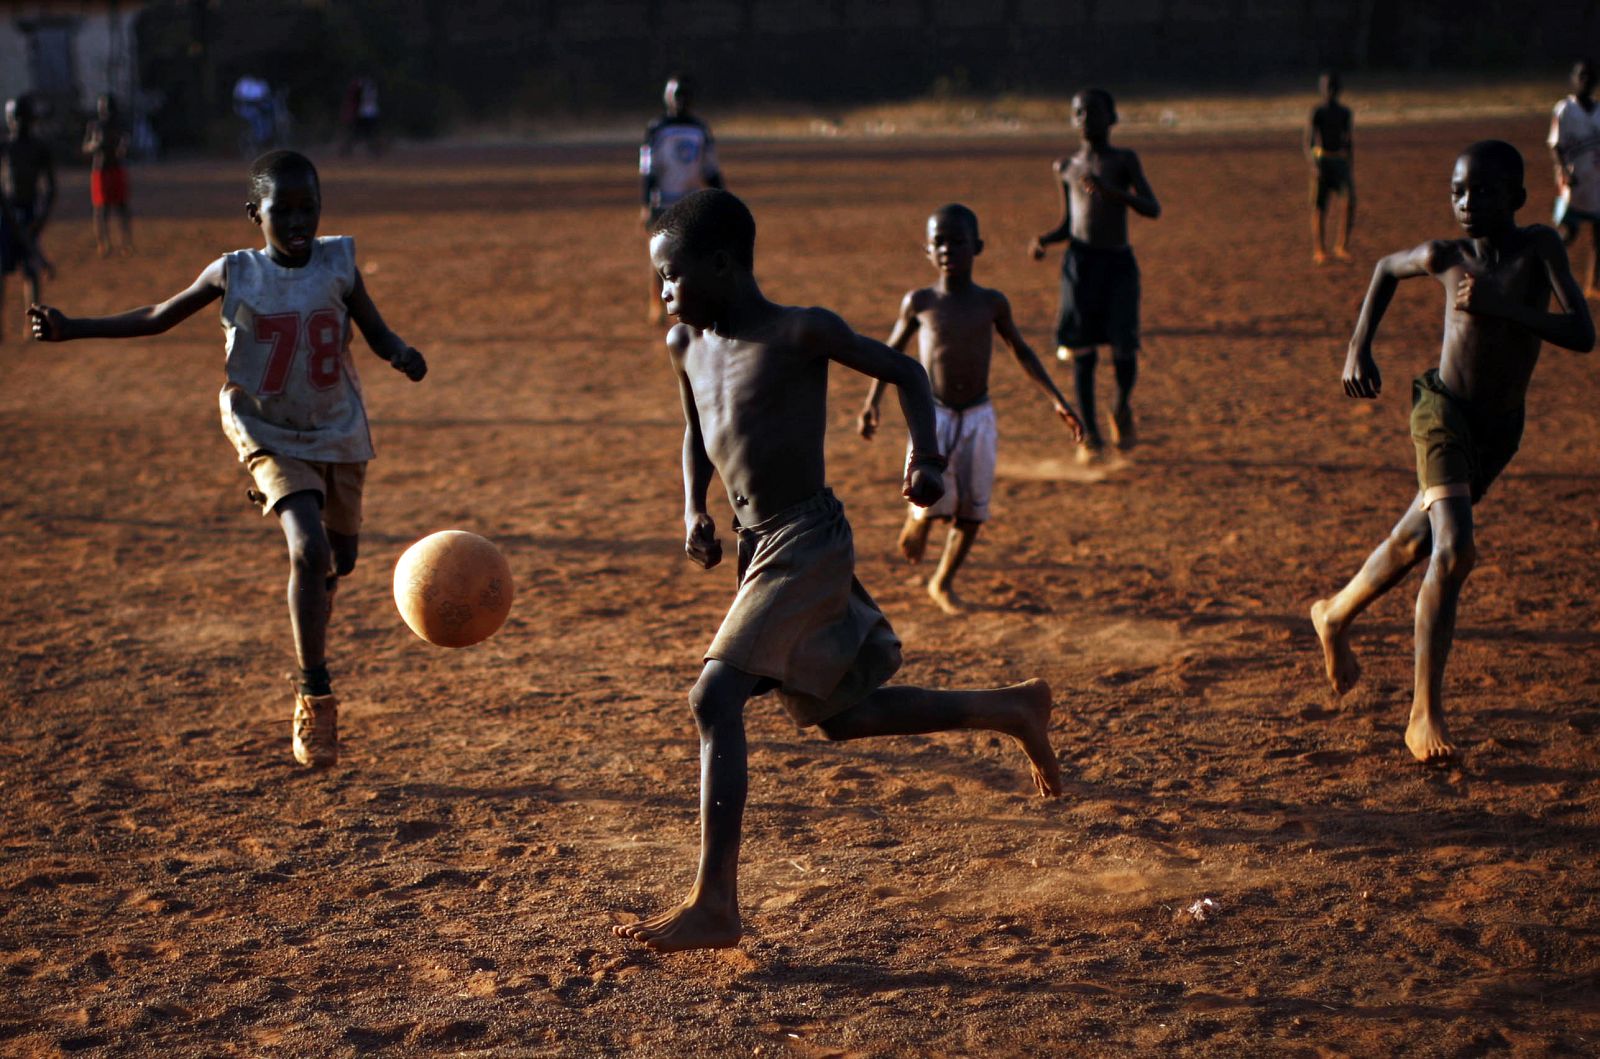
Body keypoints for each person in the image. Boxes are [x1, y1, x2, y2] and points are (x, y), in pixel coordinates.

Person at [615, 189, 1062, 953]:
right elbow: (696, 432)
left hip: (809, 539)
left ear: (722, 266)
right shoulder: (683, 345)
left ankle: (714, 903)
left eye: (671, 276)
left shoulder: (800, 331)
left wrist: (924, 454)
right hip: (756, 545)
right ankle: (1012, 707)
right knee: (841, 714)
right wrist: (693, 509)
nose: (662, 293)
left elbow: (907, 373)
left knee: (713, 695)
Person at [28, 150, 428, 769]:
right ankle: (314, 694)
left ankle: (301, 541)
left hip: (337, 430)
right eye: (283, 211)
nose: (298, 222)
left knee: (338, 561)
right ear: (254, 214)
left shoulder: (339, 263)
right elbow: (159, 317)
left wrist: (400, 353)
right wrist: (71, 327)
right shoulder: (233, 273)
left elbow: (374, 331)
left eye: (308, 209)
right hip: (264, 426)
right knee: (309, 549)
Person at [1311, 141, 1593, 764]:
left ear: (1517, 199)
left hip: (1498, 431)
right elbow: (1385, 267)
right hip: (1441, 413)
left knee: (1416, 541)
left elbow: (1582, 333)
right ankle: (1423, 714)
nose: (1467, 204)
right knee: (1455, 548)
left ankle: (1334, 614)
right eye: (1457, 192)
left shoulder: (1539, 249)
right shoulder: (1447, 257)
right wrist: (1359, 345)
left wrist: (1507, 309)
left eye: (1483, 193)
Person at [858, 204, 1084, 614]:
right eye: (938, 242)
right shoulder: (920, 302)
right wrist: (871, 403)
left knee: (973, 509)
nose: (947, 249)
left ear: (976, 246)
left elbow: (1022, 351)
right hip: (933, 415)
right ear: (927, 250)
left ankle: (942, 582)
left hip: (978, 415)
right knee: (925, 493)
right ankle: (919, 520)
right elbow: (891, 353)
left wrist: (1058, 401)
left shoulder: (992, 303)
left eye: (957, 241)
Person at [1030, 88, 1160, 462]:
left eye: (1094, 111)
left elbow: (1152, 208)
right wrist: (1045, 240)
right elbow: (1071, 223)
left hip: (1117, 263)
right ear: (1073, 120)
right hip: (1080, 266)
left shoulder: (1124, 160)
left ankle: (1121, 406)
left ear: (1112, 117)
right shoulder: (1066, 167)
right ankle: (1089, 437)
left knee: (1125, 348)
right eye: (1079, 112)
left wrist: (1113, 192)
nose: (1086, 118)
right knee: (1082, 354)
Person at [640, 73, 722, 324]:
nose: (681, 101)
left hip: (693, 202)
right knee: (662, 256)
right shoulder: (657, 129)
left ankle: (694, 303)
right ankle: (658, 301)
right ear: (667, 98)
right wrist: (646, 204)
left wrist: (721, 198)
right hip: (664, 201)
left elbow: (710, 169)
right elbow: (648, 170)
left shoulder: (700, 130)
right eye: (676, 95)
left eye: (685, 96)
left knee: (696, 256)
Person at [1, 96, 56, 340]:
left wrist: (39, 221)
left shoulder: (40, 148)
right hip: (6, 215)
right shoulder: (5, 147)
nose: (18, 124)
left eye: (22, 118)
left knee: (31, 271)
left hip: (30, 214)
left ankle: (33, 325)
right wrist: (12, 219)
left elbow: (51, 188)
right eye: (14, 118)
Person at [1548, 58, 1600, 296]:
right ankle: (1544, 271)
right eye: (1581, 76)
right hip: (1573, 184)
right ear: (1573, 80)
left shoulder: (1599, 111)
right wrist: (1564, 172)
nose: (1586, 81)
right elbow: (1555, 145)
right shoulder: (1565, 110)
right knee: (1568, 231)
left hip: (1596, 182)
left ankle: (1594, 284)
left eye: (1590, 77)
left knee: (1598, 237)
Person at [1306, 70, 1356, 265]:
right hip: (1322, 161)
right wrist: (1314, 165)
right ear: (1321, 89)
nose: (1329, 91)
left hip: (1340, 162)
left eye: (1332, 87)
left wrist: (1350, 165)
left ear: (1338, 90)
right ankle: (1319, 249)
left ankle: (1342, 246)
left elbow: (1349, 141)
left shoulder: (1345, 113)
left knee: (1349, 202)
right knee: (1319, 207)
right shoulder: (1317, 112)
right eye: (1326, 87)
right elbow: (1308, 141)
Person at [83, 93, 134, 257]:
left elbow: (126, 141)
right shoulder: (94, 126)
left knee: (121, 206)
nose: (105, 111)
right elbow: (85, 147)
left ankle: (126, 243)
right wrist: (95, 145)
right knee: (100, 209)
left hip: (116, 169)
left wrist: (123, 146)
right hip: (100, 171)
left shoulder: (120, 125)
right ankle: (103, 243)